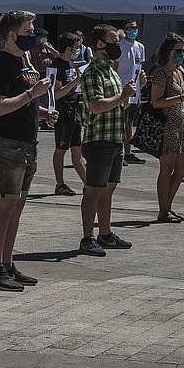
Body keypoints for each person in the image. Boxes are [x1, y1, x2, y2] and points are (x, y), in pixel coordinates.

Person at [0, 10, 54, 291]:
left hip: (26, 141)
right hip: (4, 142)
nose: (32, 35)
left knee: (17, 206)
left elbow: (24, 100)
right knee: (4, 206)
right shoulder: (0, 64)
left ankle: (7, 263)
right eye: (27, 30)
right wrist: (31, 95)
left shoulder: (25, 61)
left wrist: (44, 111)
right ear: (11, 35)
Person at [78, 25, 137, 257]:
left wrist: (127, 94)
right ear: (100, 44)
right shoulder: (93, 72)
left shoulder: (111, 70)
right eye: (114, 40)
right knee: (93, 189)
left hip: (114, 137)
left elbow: (115, 103)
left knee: (108, 189)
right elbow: (96, 105)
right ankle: (87, 237)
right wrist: (123, 95)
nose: (118, 45)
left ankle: (105, 233)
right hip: (99, 138)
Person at [148, 36, 184, 224]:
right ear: (168, 51)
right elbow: (156, 102)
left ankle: (168, 206)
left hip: (181, 123)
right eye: (178, 51)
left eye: (183, 51)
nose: (181, 54)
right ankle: (163, 210)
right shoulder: (161, 73)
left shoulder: (178, 70)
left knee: (182, 168)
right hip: (168, 125)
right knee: (166, 169)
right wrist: (181, 98)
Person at [51, 32, 86, 196]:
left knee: (77, 149)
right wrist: (74, 82)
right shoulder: (56, 66)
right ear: (68, 48)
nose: (77, 49)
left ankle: (88, 183)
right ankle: (60, 183)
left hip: (75, 110)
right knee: (61, 149)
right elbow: (56, 94)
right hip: (63, 111)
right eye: (76, 47)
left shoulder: (71, 63)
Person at [116, 19, 146, 165]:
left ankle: (128, 152)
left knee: (129, 123)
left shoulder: (140, 47)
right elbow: (115, 67)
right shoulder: (120, 46)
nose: (133, 30)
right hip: (122, 89)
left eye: (135, 28)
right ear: (125, 29)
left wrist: (143, 81)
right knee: (120, 123)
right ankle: (119, 152)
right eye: (130, 28)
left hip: (136, 91)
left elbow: (139, 67)